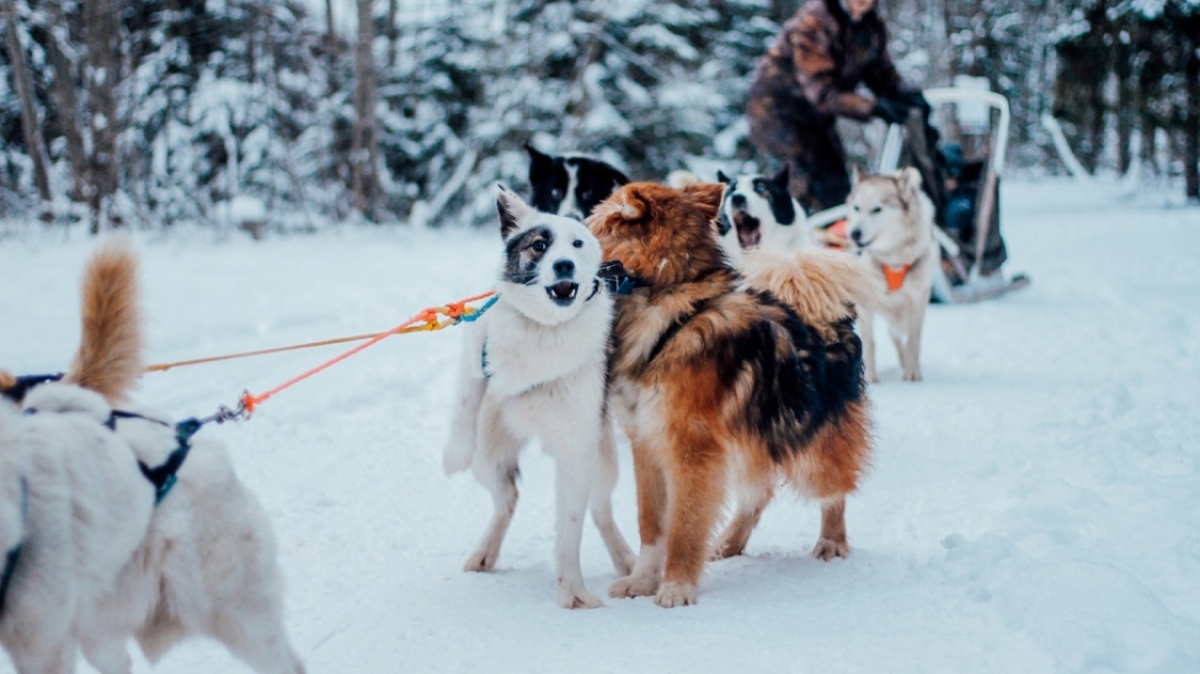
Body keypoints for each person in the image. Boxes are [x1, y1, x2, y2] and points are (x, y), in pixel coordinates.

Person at [746, 0, 943, 217]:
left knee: (837, 188)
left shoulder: (870, 26)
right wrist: (872, 107)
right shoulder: (813, 23)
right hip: (779, 114)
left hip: (817, 119)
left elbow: (881, 72)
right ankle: (796, 241)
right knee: (804, 186)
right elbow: (822, 92)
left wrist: (906, 95)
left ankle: (829, 241)